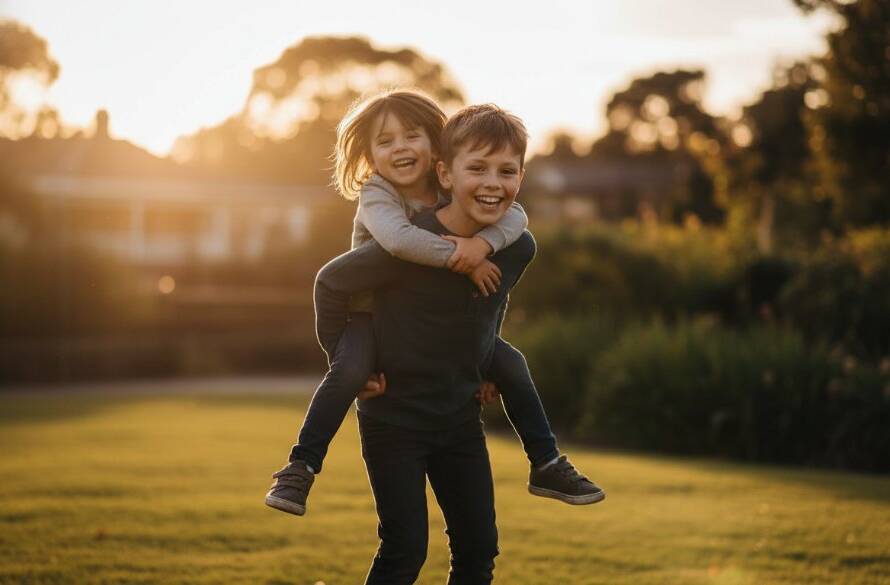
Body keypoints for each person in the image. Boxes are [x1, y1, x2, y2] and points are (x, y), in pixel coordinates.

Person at [265, 92, 604, 522]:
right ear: (369, 154)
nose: (400, 147)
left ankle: (547, 463)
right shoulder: (378, 192)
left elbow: (515, 218)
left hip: (444, 332)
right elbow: (400, 242)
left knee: (513, 365)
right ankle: (301, 467)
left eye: (412, 135)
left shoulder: (448, 190)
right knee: (350, 371)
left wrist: (481, 246)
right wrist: (463, 259)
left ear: (436, 149)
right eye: (385, 141)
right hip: (367, 314)